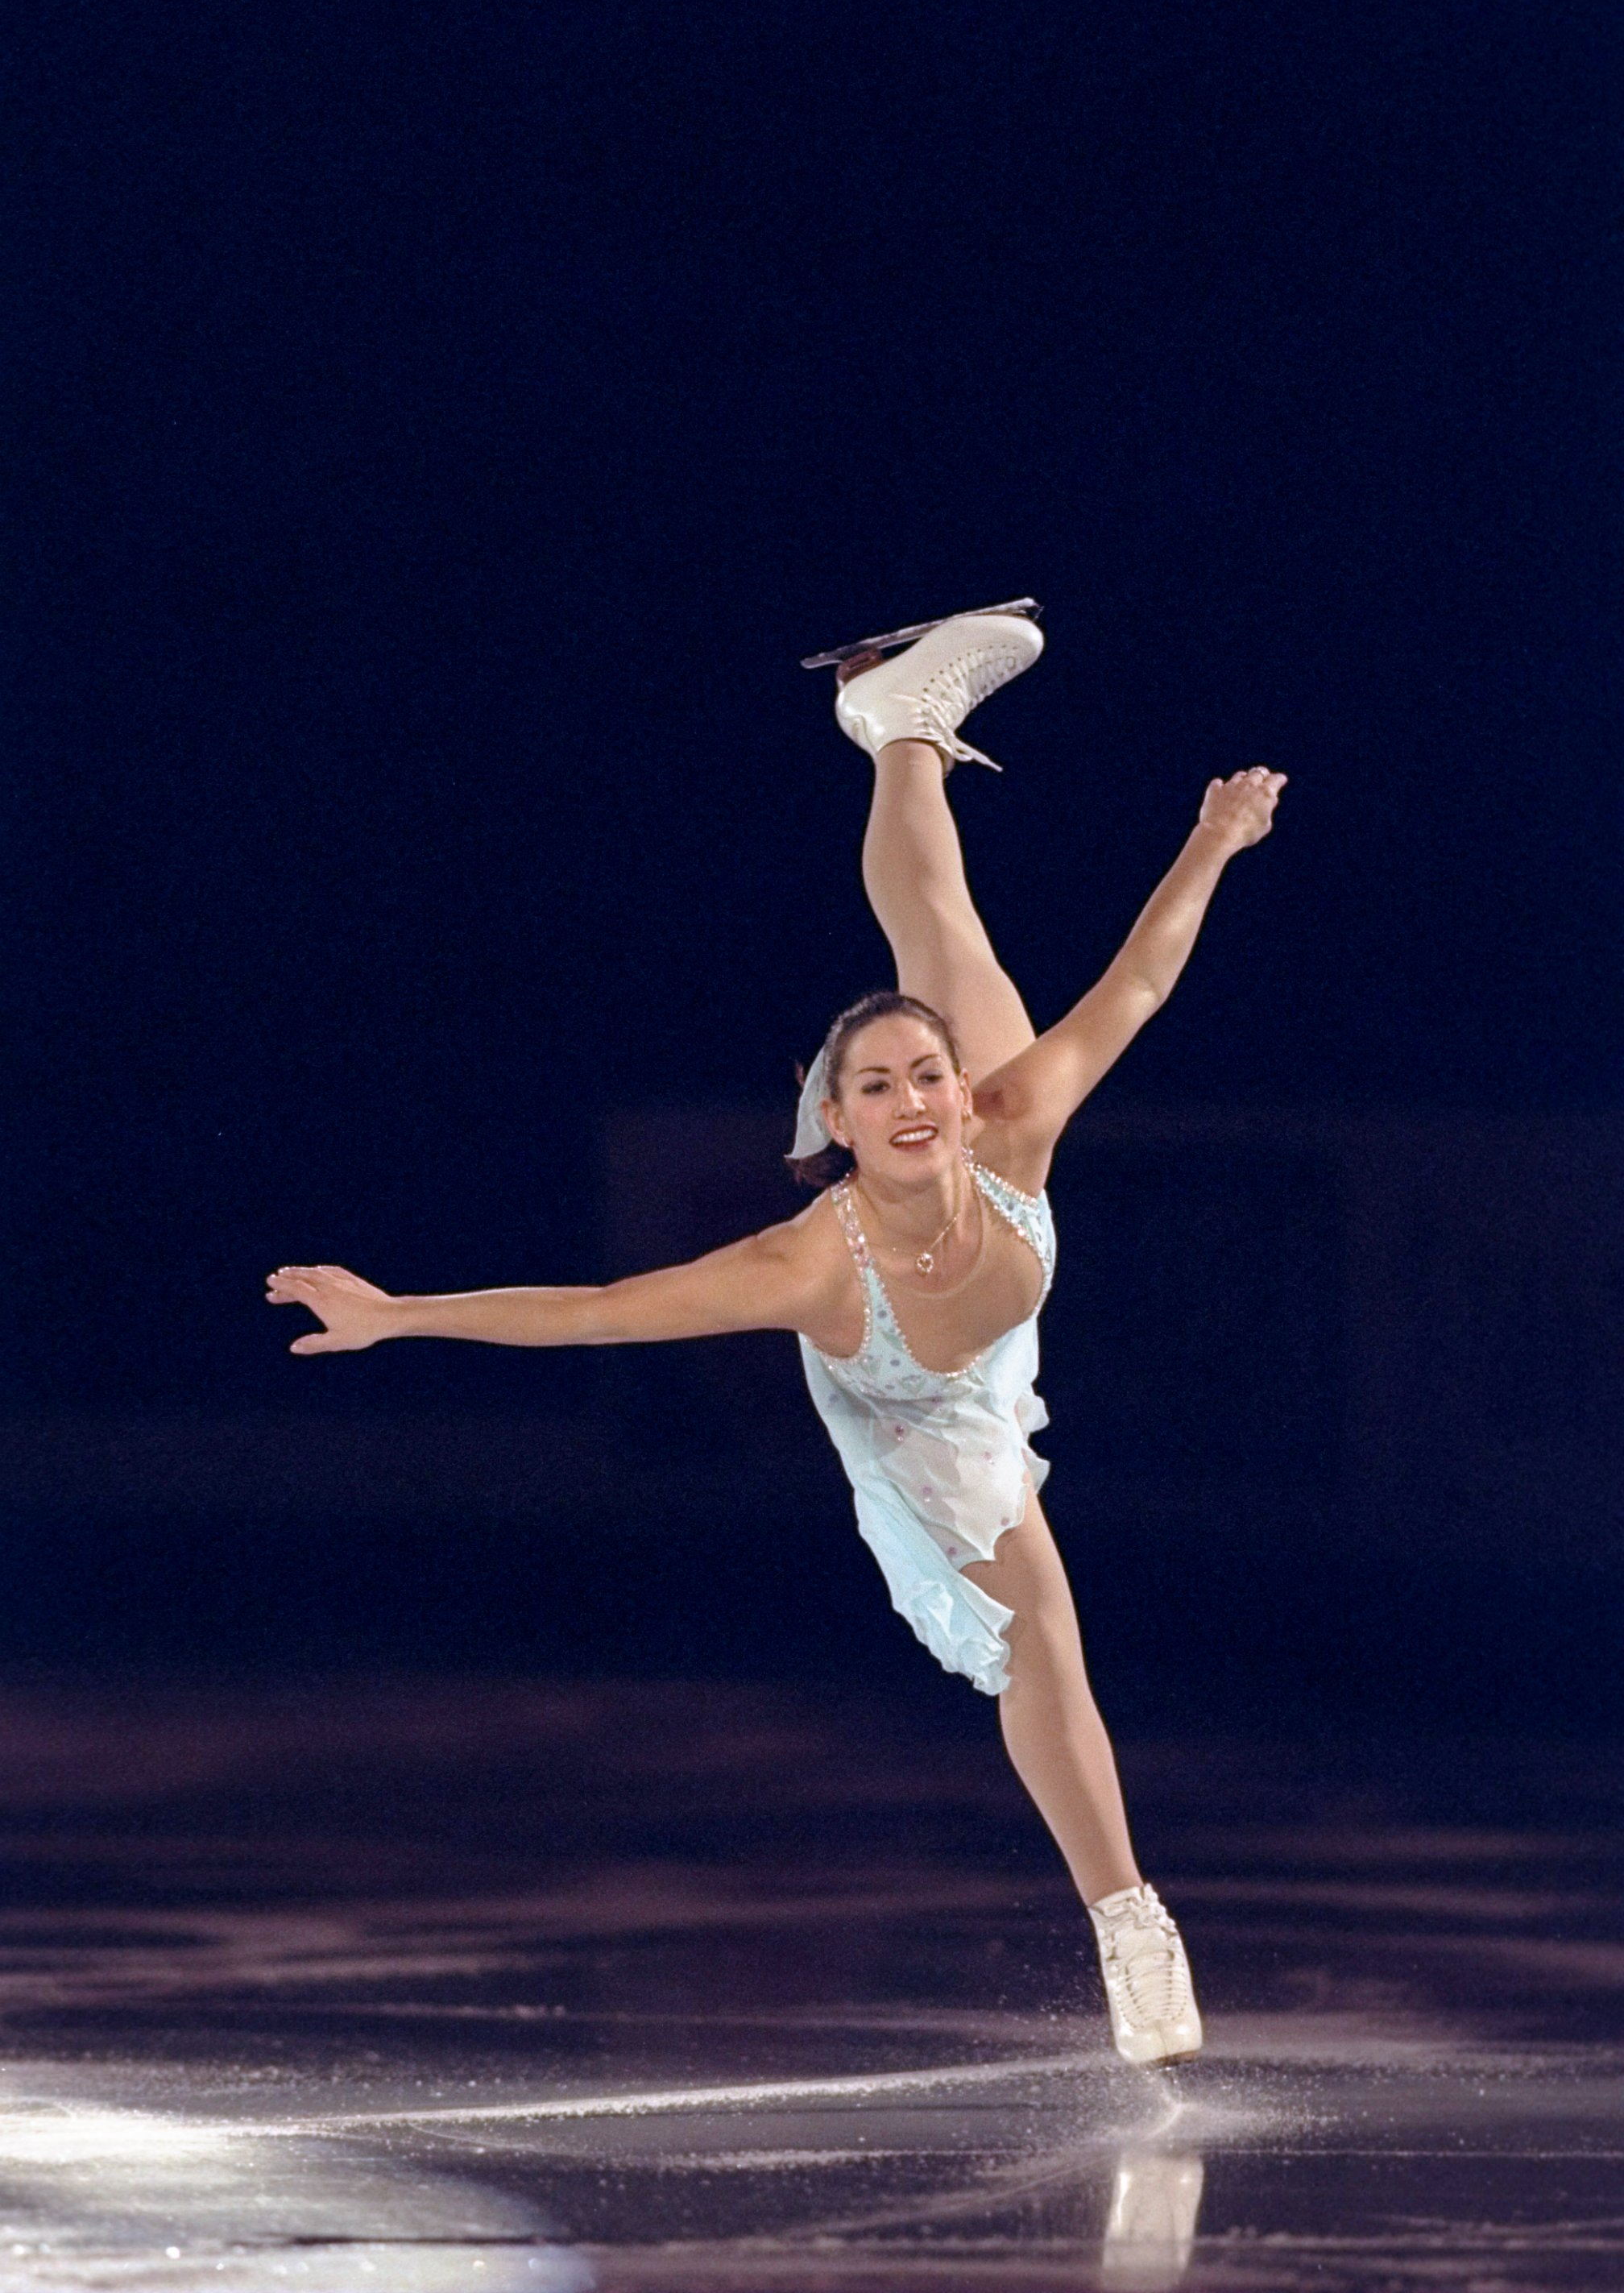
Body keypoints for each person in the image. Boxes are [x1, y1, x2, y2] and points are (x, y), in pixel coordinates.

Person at [267, 607, 1286, 2067]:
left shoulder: (1012, 1119)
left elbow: (1139, 981)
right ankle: (1131, 1921)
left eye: (927, 1071)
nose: (919, 1096)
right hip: (916, 1412)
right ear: (841, 1122)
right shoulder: (807, 1263)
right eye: (879, 1087)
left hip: (988, 1321)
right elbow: (598, 1316)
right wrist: (398, 1318)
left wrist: (1212, 842)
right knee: (1040, 1634)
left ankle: (898, 719)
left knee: (943, 933)